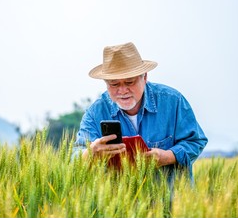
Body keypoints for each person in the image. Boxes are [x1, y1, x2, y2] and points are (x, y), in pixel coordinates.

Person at [73, 42, 208, 184]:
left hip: (172, 203)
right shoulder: (95, 113)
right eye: (114, 84)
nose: (123, 90)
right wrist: (91, 153)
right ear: (106, 83)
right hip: (122, 205)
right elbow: (74, 159)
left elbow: (196, 141)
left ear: (145, 77)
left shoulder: (173, 101)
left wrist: (168, 157)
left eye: (129, 82)